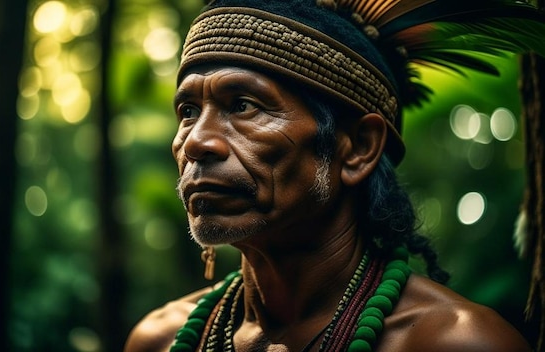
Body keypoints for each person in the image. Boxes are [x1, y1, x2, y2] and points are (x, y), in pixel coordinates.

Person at [125, 0, 545, 350]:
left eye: (243, 106)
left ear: (358, 148)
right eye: (188, 112)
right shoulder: (160, 339)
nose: (197, 142)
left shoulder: (458, 343)